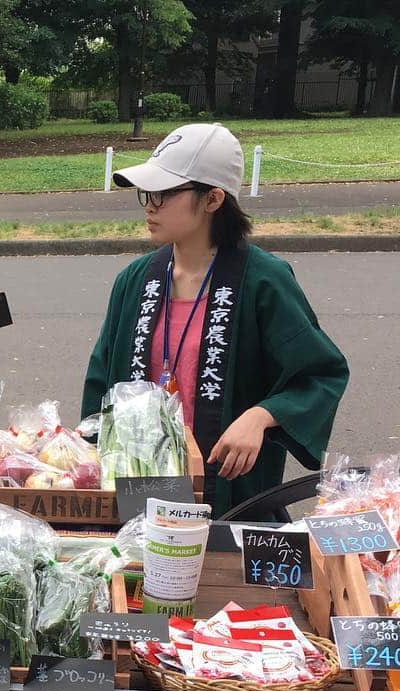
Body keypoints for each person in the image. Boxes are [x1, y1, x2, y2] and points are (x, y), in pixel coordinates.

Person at [81, 122, 349, 516]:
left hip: (232, 494)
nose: (150, 206)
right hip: (138, 490)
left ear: (213, 199)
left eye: (164, 193)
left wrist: (261, 416)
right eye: (146, 194)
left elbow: (320, 374)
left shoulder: (263, 281)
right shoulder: (134, 282)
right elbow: (102, 384)